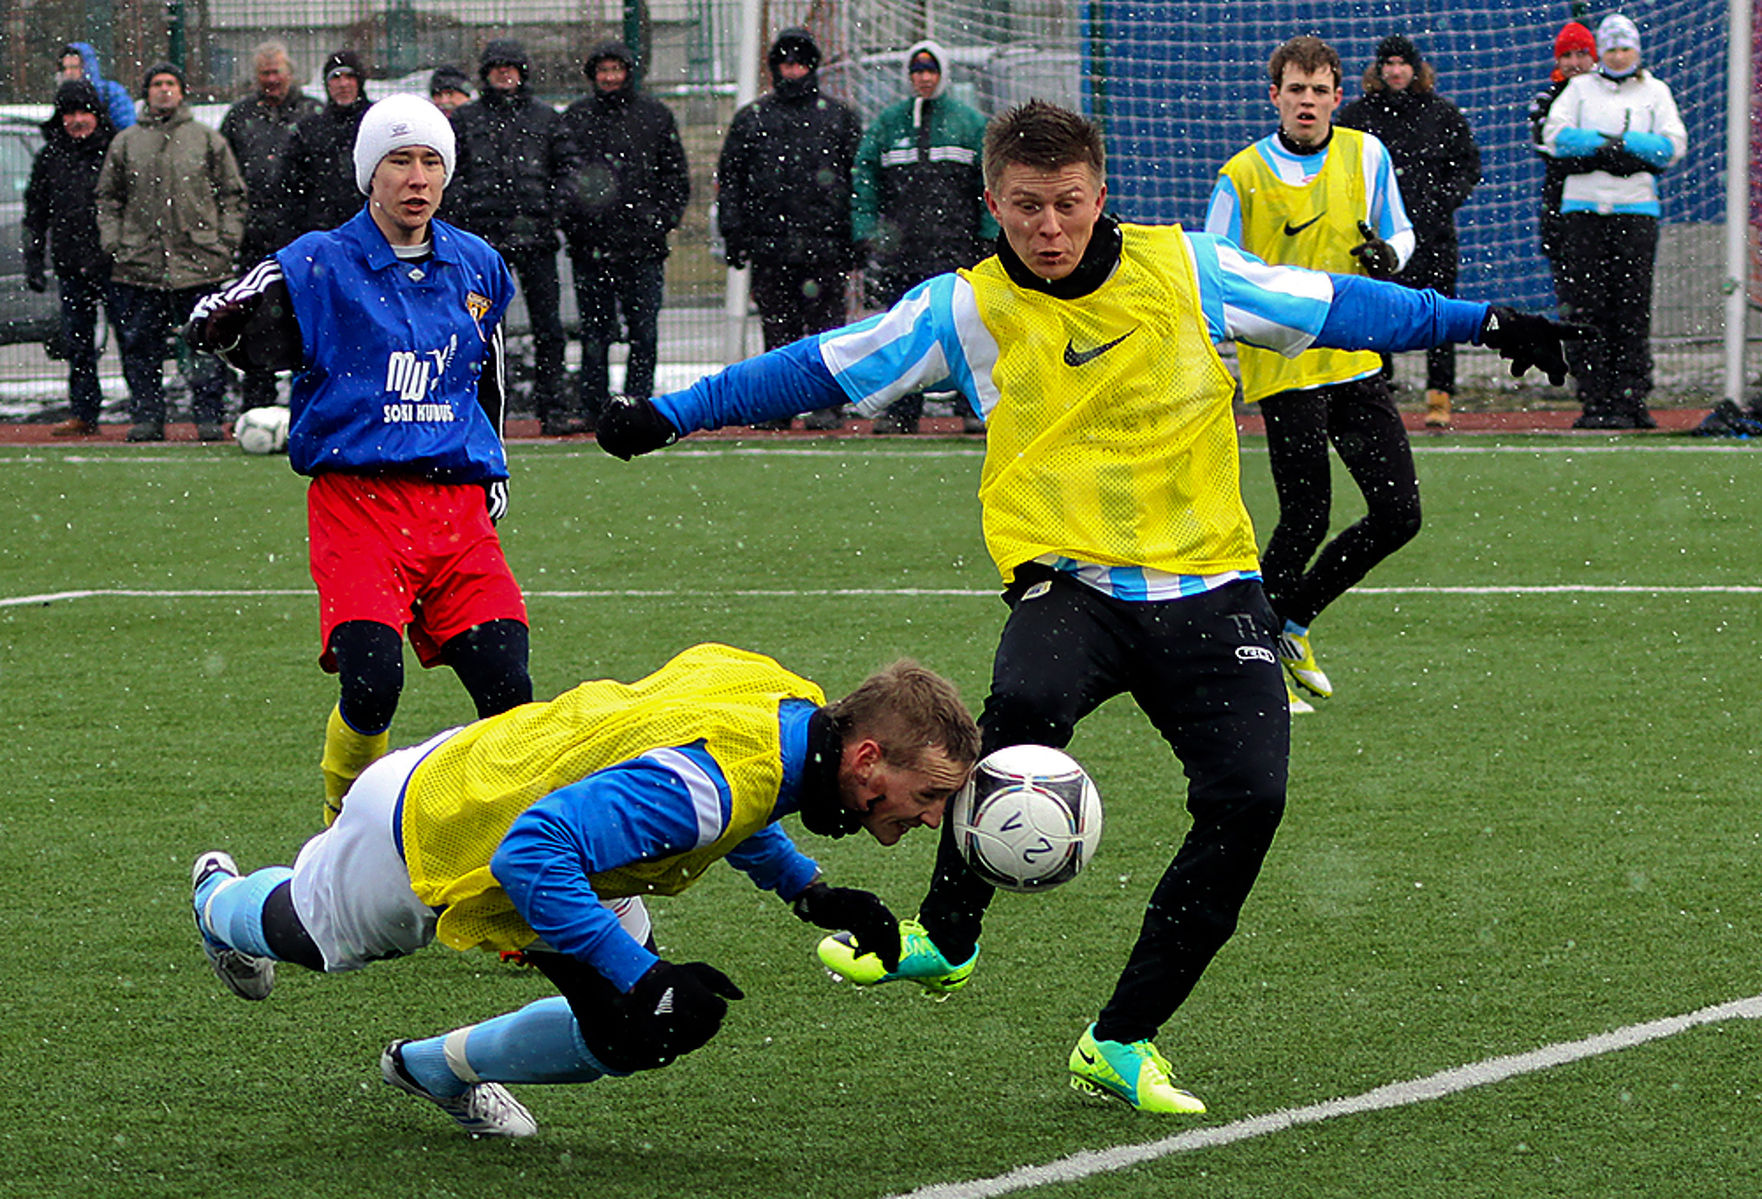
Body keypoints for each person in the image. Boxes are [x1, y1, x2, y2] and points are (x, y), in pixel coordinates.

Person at [593, 101, 1576, 1114]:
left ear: (1100, 196)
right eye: (1026, 208)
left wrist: (1485, 320)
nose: (1049, 228)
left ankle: (1121, 1036)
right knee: (1020, 704)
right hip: (1073, 585)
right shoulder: (962, 307)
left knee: (1249, 802)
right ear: (993, 204)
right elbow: (818, 363)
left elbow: (1335, 304)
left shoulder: (1189, 269)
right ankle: (947, 933)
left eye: (1066, 204)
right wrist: (671, 413)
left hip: (1212, 589)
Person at [188, 643, 979, 1137]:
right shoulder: (707, 788)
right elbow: (532, 856)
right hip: (437, 828)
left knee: (637, 1034)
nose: (932, 816)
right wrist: (644, 973)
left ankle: (432, 1068)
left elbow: (737, 790)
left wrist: (808, 891)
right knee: (301, 935)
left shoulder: (786, 701)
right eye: (928, 793)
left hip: (525, 793)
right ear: (868, 757)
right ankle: (217, 900)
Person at [185, 95, 531, 823]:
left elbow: (487, 377)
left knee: (509, 686)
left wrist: (492, 465)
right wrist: (219, 324)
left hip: (456, 510)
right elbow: (222, 312)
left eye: (431, 161)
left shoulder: (479, 267)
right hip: (359, 504)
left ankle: (501, 845)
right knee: (372, 683)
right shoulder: (319, 260)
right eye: (399, 160)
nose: (416, 177)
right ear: (369, 174)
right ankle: (347, 830)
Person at [1204, 35, 1419, 712]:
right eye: (1295, 89)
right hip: (1286, 367)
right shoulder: (1241, 175)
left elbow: (1403, 232)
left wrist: (1389, 256)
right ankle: (1254, 655)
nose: (1308, 101)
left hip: (1355, 358)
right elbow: (1211, 268)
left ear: (1336, 96)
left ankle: (1291, 620)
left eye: (1320, 89)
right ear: (1275, 96)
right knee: (1306, 516)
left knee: (1399, 513)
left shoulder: (1367, 154)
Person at [1540, 14, 1686, 430]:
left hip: (1636, 211)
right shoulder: (1579, 89)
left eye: (1626, 49)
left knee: (1631, 308)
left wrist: (1631, 145)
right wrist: (1603, 146)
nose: (1619, 56)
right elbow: (1555, 136)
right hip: (1583, 213)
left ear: (1636, 51)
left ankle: (1631, 398)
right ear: (1600, 53)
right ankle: (1595, 399)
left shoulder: (1656, 91)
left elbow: (1673, 145)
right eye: (1611, 49)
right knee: (1587, 308)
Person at [716, 27, 861, 431]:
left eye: (799, 62)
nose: (792, 69)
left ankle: (826, 404)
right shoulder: (752, 119)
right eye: (786, 62)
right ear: (775, 67)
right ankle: (778, 404)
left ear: (811, 66)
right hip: (771, 247)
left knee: (826, 333)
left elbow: (857, 183)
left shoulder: (839, 117)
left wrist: (856, 238)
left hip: (825, 246)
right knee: (777, 331)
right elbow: (731, 182)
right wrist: (734, 235)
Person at [95, 62, 246, 443]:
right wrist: (115, 243)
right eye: (157, 84)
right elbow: (107, 198)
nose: (164, 90)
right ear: (146, 93)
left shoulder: (206, 139)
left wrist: (224, 241)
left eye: (171, 84)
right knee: (139, 346)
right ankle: (148, 415)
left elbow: (233, 193)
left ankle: (208, 416)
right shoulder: (126, 142)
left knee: (205, 342)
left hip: (200, 265)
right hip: (139, 265)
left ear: (181, 92)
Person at [850, 40, 994, 436]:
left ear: (943, 74)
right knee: (903, 330)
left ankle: (972, 408)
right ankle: (901, 410)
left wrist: (987, 235)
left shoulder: (969, 123)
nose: (924, 79)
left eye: (930, 71)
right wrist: (867, 232)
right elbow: (864, 177)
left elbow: (989, 182)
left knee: (966, 329)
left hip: (957, 247)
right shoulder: (889, 123)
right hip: (903, 250)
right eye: (917, 72)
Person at [1337, 35, 1480, 430]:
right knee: (1378, 313)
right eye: (1389, 63)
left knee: (1437, 313)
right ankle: (1380, 393)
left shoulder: (1443, 114)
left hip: (1433, 236)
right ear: (1378, 69)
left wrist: (1442, 201)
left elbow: (1469, 166)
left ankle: (1439, 397)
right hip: (1378, 241)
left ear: (1417, 69)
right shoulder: (1356, 118)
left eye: (1403, 63)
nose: (1396, 71)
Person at [447, 39, 585, 436]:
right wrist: (468, 217)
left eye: (512, 67)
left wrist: (550, 210)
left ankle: (553, 409)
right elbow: (450, 174)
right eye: (497, 68)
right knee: (482, 330)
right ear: (486, 73)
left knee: (548, 328)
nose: (504, 74)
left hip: (537, 239)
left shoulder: (546, 118)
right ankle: (485, 412)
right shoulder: (466, 119)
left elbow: (569, 169)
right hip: (483, 245)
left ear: (523, 72)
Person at [556, 40, 690, 426]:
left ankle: (637, 409)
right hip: (590, 248)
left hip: (643, 248)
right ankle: (593, 408)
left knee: (643, 333)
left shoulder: (655, 116)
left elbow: (676, 178)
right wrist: (576, 224)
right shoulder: (576, 119)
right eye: (603, 71)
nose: (610, 77)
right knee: (595, 335)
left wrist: (660, 221)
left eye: (616, 70)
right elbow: (563, 178)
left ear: (629, 73)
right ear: (593, 75)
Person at [220, 42, 324, 412]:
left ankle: (311, 403)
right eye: (265, 74)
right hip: (254, 236)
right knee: (254, 318)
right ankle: (257, 403)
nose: (272, 80)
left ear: (290, 73)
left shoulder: (314, 114)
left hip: (304, 238)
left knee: (311, 322)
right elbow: (223, 178)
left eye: (277, 72)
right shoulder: (238, 117)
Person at [24, 80, 117, 438]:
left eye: (84, 112)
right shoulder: (49, 158)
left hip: (113, 263)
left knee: (131, 338)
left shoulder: (113, 150)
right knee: (77, 344)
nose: (78, 121)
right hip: (70, 265)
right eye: (70, 113)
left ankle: (145, 412)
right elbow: (35, 212)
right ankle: (83, 412)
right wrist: (34, 259)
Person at [1529, 22, 1598, 321]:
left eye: (1581, 54)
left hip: (1607, 213)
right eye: (1567, 55)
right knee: (1573, 301)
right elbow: (1553, 152)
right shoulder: (1545, 101)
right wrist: (1600, 151)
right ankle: (1579, 365)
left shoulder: (1608, 98)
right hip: (1561, 214)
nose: (1574, 63)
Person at [289, 50, 373, 235]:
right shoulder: (309, 129)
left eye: (349, 77)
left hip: (373, 228)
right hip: (324, 230)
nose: (343, 84)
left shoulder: (377, 120)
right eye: (336, 77)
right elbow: (293, 185)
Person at [57, 41, 134, 130]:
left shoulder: (110, 92)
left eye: (74, 67)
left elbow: (126, 125)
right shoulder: (63, 96)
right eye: (65, 68)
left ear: (86, 67)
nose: (69, 73)